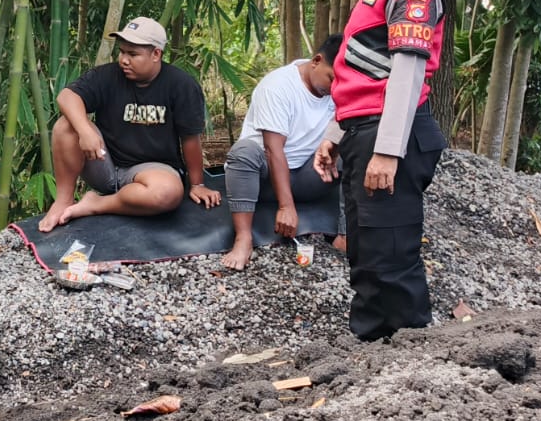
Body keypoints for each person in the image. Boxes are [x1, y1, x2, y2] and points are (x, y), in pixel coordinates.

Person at [313, 0, 447, 340]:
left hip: (391, 136)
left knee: (390, 256)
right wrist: (336, 133)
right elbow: (362, 74)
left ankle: (411, 363)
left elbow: (408, 73)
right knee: (367, 254)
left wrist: (387, 151)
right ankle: (370, 352)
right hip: (365, 132)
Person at [38, 17, 221, 232]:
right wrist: (85, 130)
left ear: (156, 54)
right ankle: (64, 200)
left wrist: (198, 185)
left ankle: (97, 204)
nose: (124, 60)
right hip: (104, 163)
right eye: (122, 52)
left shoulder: (181, 85)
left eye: (133, 54)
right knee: (65, 126)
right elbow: (67, 96)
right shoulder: (107, 75)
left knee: (167, 193)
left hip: (152, 170)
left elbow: (190, 138)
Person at [219, 36, 345, 271]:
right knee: (243, 152)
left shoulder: (342, 92)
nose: (335, 88)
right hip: (263, 180)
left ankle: (346, 235)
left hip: (310, 175)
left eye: (343, 82)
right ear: (316, 61)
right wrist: (286, 207)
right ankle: (243, 238)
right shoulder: (278, 86)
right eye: (332, 78)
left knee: (359, 145)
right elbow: (272, 149)